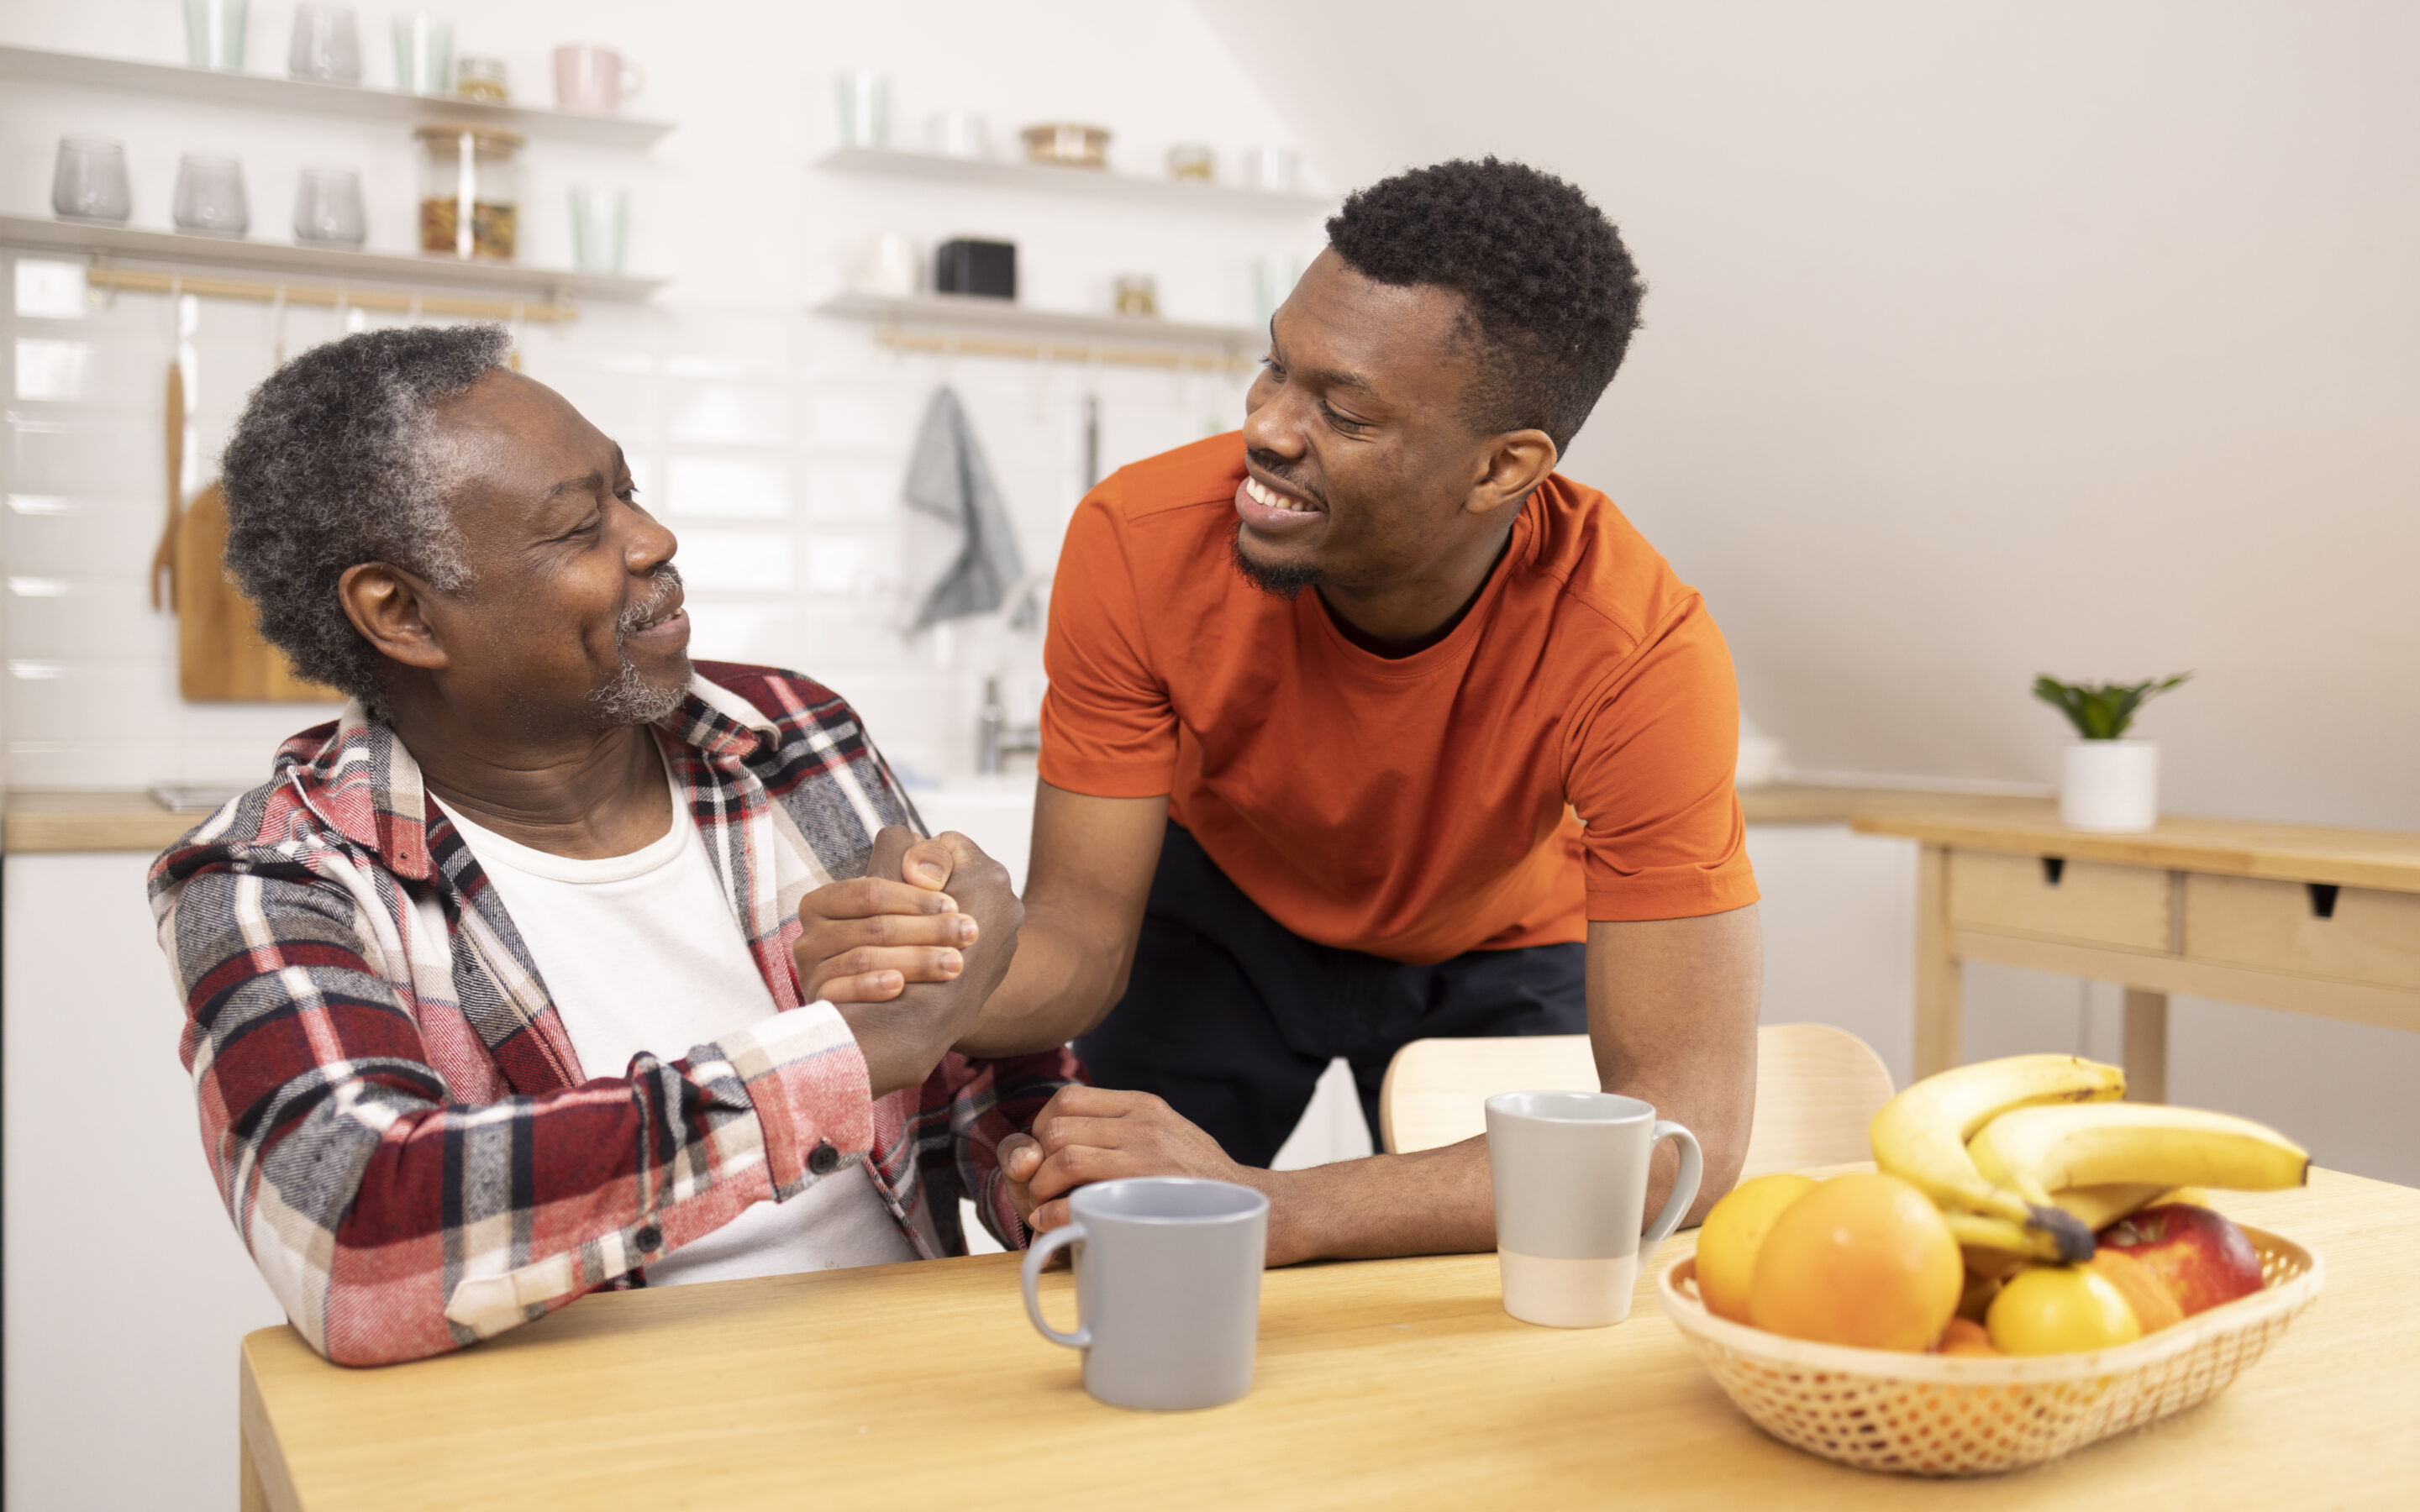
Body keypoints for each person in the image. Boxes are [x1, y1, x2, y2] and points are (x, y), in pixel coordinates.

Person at [798, 157, 1765, 1266]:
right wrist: (953, 968)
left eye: (1341, 411)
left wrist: (1278, 1207)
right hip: (1219, 917)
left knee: (1501, 1289)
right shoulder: (1139, 538)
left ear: (1505, 468)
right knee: (1105, 1247)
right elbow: (1078, 944)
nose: (1266, 428)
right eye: (1274, 368)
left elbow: (1684, 1143)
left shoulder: (1638, 651)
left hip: (1498, 939)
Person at [150, 324, 1060, 1367]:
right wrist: (839, 1059)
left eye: (628, 491)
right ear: (402, 614)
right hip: (581, 1436)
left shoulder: (792, 734)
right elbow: (360, 1239)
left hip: (910, 1380)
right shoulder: (274, 875)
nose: (653, 539)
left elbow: (972, 1064)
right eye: (581, 527)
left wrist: (1049, 1164)